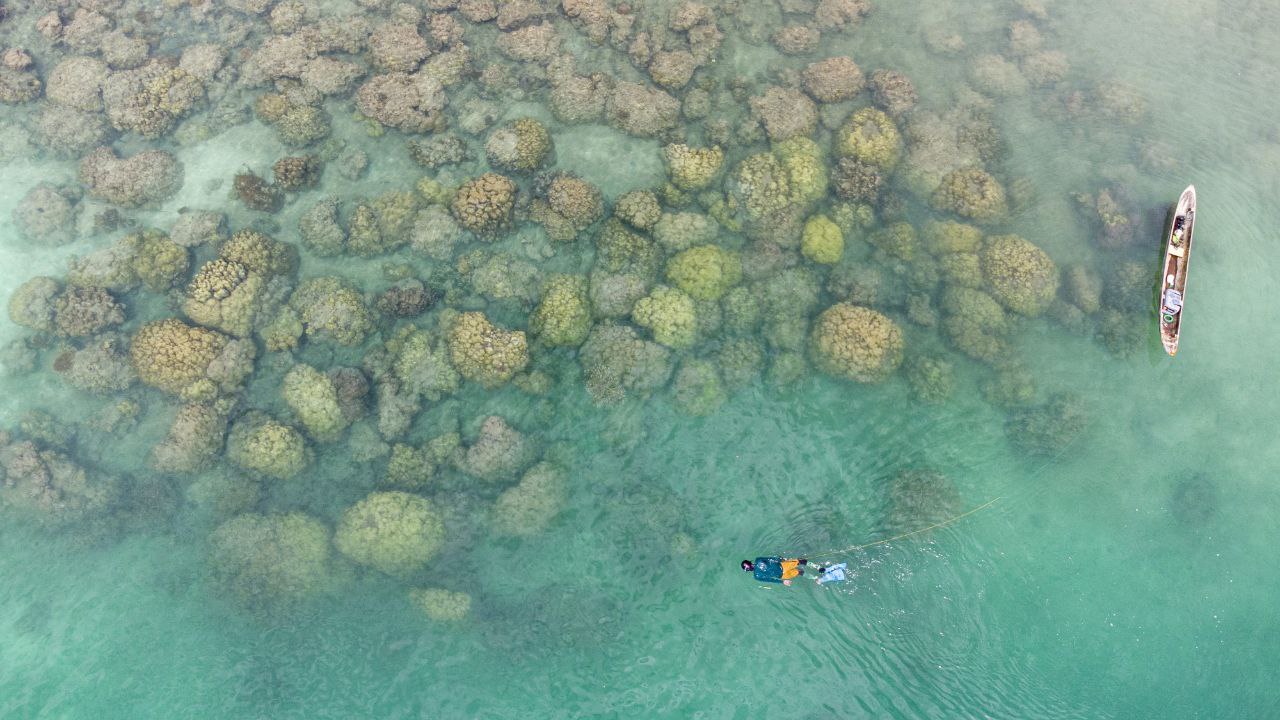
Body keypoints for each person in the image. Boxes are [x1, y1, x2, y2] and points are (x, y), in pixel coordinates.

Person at [742, 556, 807, 585]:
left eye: (747, 568)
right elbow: (770, 580)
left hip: (783, 565)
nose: (748, 569)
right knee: (799, 572)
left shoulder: (758, 560)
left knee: (800, 562)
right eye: (747, 569)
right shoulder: (757, 576)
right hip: (783, 575)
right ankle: (812, 577)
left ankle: (813, 565)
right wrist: (783, 582)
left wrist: (780, 559)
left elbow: (770, 559)